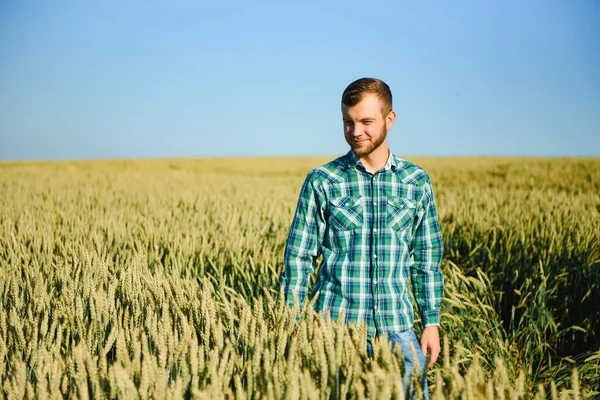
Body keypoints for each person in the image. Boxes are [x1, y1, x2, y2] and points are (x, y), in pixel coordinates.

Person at [280, 77, 444, 398]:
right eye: (348, 122)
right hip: (334, 332)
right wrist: (293, 323)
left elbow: (426, 260)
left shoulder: (416, 182)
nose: (356, 132)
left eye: (366, 122)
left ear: (389, 120)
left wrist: (431, 322)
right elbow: (299, 259)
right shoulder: (322, 180)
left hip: (398, 330)